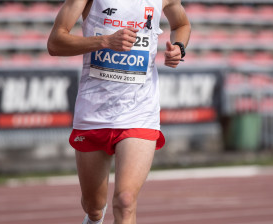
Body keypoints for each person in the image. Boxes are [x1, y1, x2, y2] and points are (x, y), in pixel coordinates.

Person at [47, 0, 191, 223]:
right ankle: (94, 217)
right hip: (94, 112)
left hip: (140, 111)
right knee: (93, 206)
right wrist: (105, 40)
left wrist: (179, 47)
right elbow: (55, 43)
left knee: (125, 201)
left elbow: (181, 24)